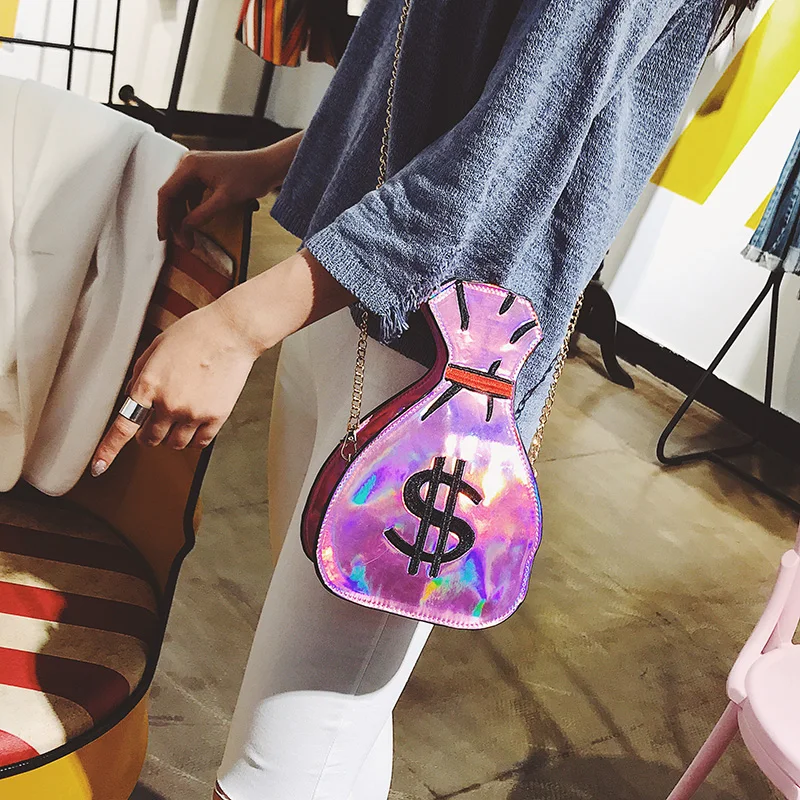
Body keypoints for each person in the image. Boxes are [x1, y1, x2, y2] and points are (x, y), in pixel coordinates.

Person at [90, 0, 756, 797]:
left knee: (283, 762)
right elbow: (448, 83)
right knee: (333, 726)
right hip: (349, 304)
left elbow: (510, 155)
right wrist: (285, 160)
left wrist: (238, 325)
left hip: (441, 372)